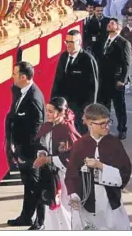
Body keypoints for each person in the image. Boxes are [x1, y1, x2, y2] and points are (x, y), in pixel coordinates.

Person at [66, 103, 132, 230]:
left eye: (108, 122)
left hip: (110, 200)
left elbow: (125, 172)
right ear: (90, 123)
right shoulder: (80, 145)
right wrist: (74, 195)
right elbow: (72, 173)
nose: (107, 127)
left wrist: (101, 166)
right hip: (87, 200)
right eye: (102, 123)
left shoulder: (114, 144)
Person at [6, 61, 46, 230]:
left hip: (31, 151)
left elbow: (36, 129)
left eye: (15, 73)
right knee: (28, 185)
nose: (12, 76)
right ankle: (26, 216)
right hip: (21, 148)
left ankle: (40, 222)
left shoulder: (34, 98)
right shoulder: (20, 92)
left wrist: (25, 153)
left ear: (23, 77)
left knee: (36, 186)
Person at [32, 97, 81, 230]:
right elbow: (41, 144)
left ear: (60, 113)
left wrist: (48, 160)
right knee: (51, 206)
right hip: (49, 174)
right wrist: (42, 153)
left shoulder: (67, 129)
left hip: (64, 176)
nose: (47, 114)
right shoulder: (48, 125)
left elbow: (71, 157)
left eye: (50, 111)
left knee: (63, 207)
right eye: (46, 110)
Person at [51, 29, 98, 134]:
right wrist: (53, 102)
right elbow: (57, 81)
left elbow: (93, 88)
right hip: (64, 107)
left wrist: (88, 111)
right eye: (66, 42)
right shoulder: (63, 57)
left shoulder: (88, 60)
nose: (68, 45)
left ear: (79, 42)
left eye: (71, 42)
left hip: (80, 108)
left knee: (79, 135)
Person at [96, 18, 131, 139]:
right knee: (103, 105)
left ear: (119, 27)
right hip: (103, 79)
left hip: (116, 80)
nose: (109, 25)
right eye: (109, 23)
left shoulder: (123, 43)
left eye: (112, 23)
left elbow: (127, 63)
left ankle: (122, 129)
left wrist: (123, 79)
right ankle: (103, 128)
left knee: (119, 106)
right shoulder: (104, 40)